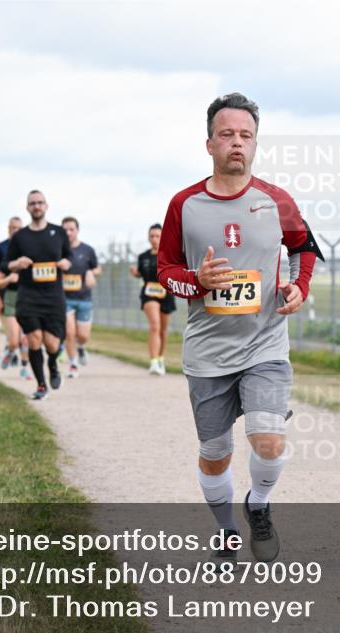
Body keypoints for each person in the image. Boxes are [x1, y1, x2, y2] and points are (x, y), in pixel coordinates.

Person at [157, 93, 320, 564]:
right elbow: (164, 268)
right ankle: (226, 527)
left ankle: (260, 506)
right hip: (207, 351)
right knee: (215, 452)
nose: (237, 143)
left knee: (269, 439)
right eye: (227, 134)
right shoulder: (183, 204)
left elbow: (304, 248)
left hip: (265, 342)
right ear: (209, 143)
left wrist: (298, 286)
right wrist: (195, 281)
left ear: (255, 144)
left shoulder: (276, 200)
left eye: (245, 136)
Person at [7, 190, 71, 400]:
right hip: (29, 296)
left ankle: (53, 364)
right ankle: (41, 385)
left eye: (40, 203)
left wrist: (65, 263)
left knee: (52, 343)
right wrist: (17, 263)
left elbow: (69, 259)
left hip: (53, 297)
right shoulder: (20, 237)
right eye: (32, 203)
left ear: (46, 206)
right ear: (27, 208)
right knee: (34, 340)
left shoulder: (59, 233)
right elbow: (6, 264)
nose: (36, 206)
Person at [131, 223, 176, 375]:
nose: (155, 239)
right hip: (149, 293)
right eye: (152, 236)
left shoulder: (170, 254)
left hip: (166, 294)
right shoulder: (142, 257)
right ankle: (153, 362)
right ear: (148, 238)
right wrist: (135, 273)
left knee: (163, 330)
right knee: (155, 326)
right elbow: (140, 274)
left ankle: (160, 358)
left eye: (158, 236)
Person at [61, 216, 100, 378]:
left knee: (83, 336)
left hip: (84, 299)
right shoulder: (58, 250)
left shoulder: (87, 250)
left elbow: (98, 269)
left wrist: (91, 272)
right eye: (65, 230)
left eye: (71, 229)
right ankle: (73, 364)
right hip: (65, 299)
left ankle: (81, 347)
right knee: (69, 333)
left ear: (77, 230)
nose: (68, 232)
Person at [0, 217, 29, 378]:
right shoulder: (5, 252)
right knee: (14, 339)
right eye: (13, 228)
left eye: (19, 228)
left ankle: (25, 366)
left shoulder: (30, 248)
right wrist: (8, 279)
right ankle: (10, 349)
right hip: (11, 297)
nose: (16, 231)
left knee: (27, 337)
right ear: (8, 229)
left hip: (29, 296)